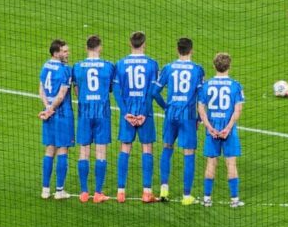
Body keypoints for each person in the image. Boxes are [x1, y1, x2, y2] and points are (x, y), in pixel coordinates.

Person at [152, 37, 205, 205]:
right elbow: (201, 97)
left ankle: (163, 189)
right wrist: (199, 118)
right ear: (192, 50)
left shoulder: (168, 68)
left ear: (177, 50)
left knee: (167, 149)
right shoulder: (198, 70)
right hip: (188, 115)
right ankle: (186, 196)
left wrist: (166, 107)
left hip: (171, 114)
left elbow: (154, 92)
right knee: (188, 153)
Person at [113, 32, 160, 203]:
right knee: (147, 148)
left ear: (129, 43)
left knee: (125, 148)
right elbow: (153, 92)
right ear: (144, 44)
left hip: (128, 113)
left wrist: (126, 112)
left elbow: (117, 92)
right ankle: (147, 192)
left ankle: (120, 192)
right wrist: (144, 113)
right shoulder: (152, 64)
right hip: (144, 113)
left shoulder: (120, 64)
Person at [72, 35, 116, 204]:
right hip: (102, 112)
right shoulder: (108, 66)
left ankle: (84, 192)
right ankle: (98, 193)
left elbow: (76, 89)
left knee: (83, 152)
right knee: (100, 152)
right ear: (100, 47)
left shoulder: (77, 67)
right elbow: (111, 88)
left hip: (84, 112)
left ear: (86, 47)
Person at [197, 53, 245, 208]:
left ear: (214, 66)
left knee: (211, 163)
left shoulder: (206, 85)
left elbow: (201, 109)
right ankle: (234, 200)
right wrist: (228, 128)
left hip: (213, 128)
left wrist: (210, 128)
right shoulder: (235, 85)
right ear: (229, 66)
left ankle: (206, 199)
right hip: (228, 130)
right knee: (231, 163)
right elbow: (237, 110)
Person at [38, 39, 74, 200]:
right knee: (62, 150)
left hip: (49, 114)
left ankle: (45, 190)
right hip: (62, 114)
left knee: (49, 149)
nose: (68, 54)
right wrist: (52, 109)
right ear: (56, 53)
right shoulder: (65, 70)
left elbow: (41, 89)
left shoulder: (45, 65)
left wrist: (47, 109)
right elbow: (61, 95)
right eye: (65, 51)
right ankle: (59, 191)